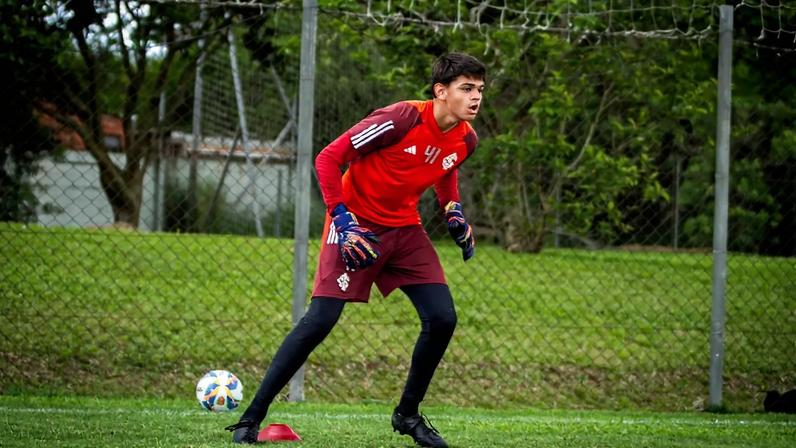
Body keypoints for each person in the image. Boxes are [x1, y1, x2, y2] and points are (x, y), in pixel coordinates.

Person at [225, 52, 486, 448]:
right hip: (354, 226)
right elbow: (328, 158)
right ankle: (250, 420)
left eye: (479, 89)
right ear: (440, 91)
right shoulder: (400, 119)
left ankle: (407, 415)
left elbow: (445, 167)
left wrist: (453, 210)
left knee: (442, 318)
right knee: (320, 320)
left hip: (405, 229)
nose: (476, 97)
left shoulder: (466, 139)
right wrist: (344, 221)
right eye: (466, 88)